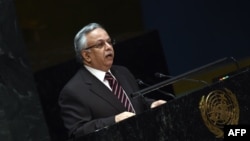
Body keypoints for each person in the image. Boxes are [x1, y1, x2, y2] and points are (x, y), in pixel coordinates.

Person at [58, 22, 167, 139]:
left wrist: (151, 105)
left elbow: (136, 101)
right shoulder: (73, 91)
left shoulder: (122, 72)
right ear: (86, 55)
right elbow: (78, 132)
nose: (108, 47)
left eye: (109, 42)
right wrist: (114, 121)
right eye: (100, 44)